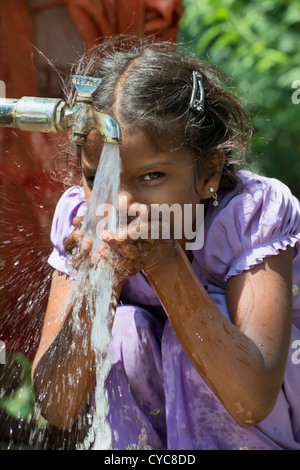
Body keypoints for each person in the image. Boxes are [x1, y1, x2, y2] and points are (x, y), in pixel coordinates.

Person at [31, 36, 300, 450]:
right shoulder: (79, 218)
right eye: (95, 179)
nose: (119, 204)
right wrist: (95, 287)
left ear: (208, 171)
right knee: (122, 330)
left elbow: (253, 400)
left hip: (262, 420)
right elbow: (57, 406)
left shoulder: (250, 215)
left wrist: (166, 265)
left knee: (189, 334)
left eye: (151, 176)